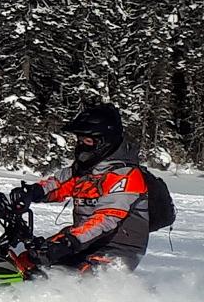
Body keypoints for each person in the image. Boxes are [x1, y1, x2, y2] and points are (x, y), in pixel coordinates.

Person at [10, 103, 150, 272]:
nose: (82, 145)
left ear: (104, 141)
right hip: (84, 240)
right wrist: (32, 192)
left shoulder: (127, 176)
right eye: (80, 140)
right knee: (29, 260)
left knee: (75, 281)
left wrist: (69, 242)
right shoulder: (85, 169)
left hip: (117, 248)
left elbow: (106, 218)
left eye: (88, 141)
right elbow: (59, 184)